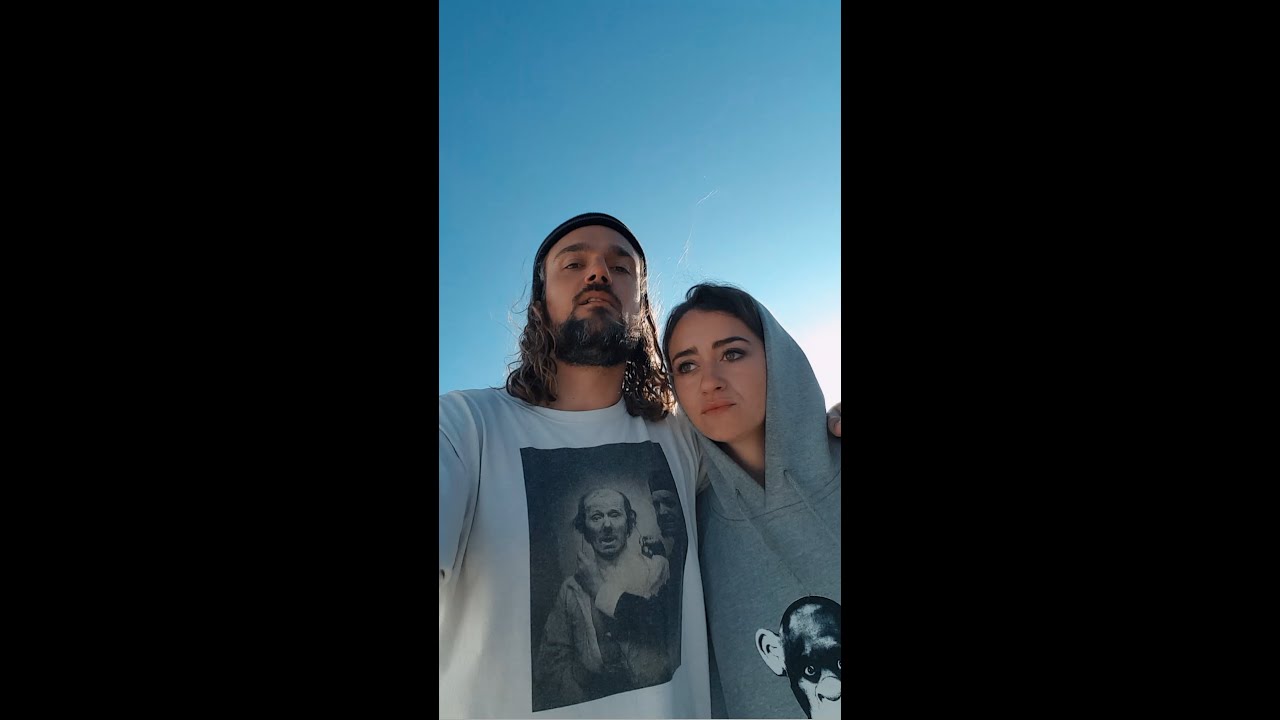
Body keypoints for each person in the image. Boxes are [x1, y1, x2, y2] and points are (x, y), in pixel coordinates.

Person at [439, 214, 840, 719]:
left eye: (620, 266)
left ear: (643, 308)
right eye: (574, 264)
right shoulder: (464, 429)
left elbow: (771, 447)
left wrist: (822, 427)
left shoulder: (685, 441)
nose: (598, 272)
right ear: (539, 306)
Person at [662, 283, 842, 719]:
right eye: (687, 365)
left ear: (776, 357)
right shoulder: (689, 534)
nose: (710, 381)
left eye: (732, 353)